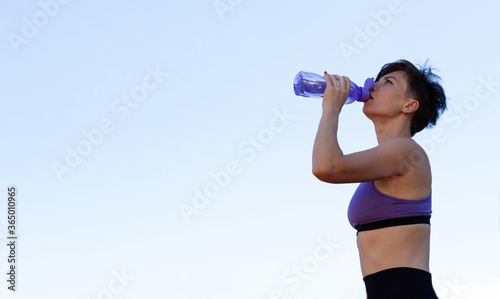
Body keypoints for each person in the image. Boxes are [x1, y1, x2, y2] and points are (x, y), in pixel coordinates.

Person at [312, 59, 446, 299]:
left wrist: (331, 108)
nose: (373, 86)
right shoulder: (386, 161)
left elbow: (326, 167)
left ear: (409, 105)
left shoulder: (406, 152)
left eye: (388, 82)